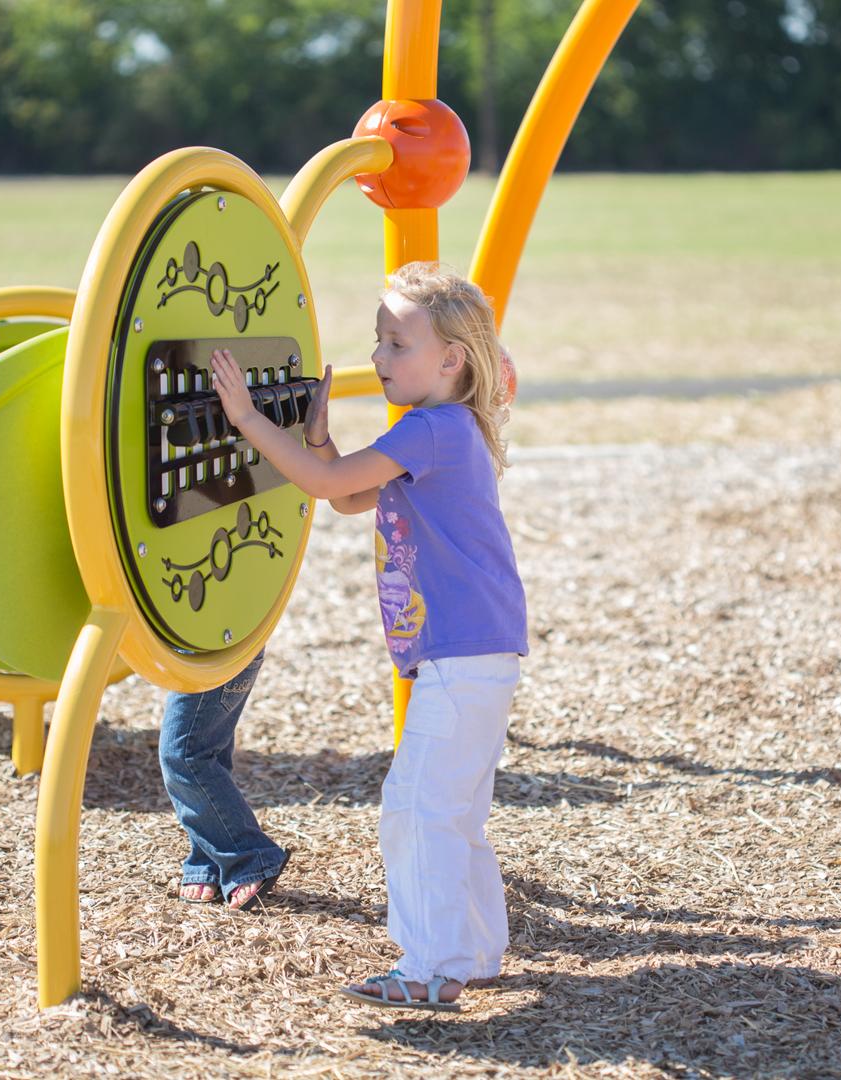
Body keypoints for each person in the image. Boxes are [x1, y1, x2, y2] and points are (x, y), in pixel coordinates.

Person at [208, 261, 527, 1013]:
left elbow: (326, 490)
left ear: (450, 360)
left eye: (395, 344)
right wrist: (319, 439)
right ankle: (474, 953)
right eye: (377, 341)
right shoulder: (442, 427)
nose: (378, 359)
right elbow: (350, 492)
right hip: (475, 651)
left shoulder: (435, 428)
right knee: (451, 811)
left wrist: (249, 421)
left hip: (463, 653)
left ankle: (429, 967)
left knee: (416, 812)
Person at [158, 654, 289, 910]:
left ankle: (251, 859)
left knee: (184, 755)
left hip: (211, 648)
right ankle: (209, 863)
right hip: (222, 642)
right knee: (207, 750)